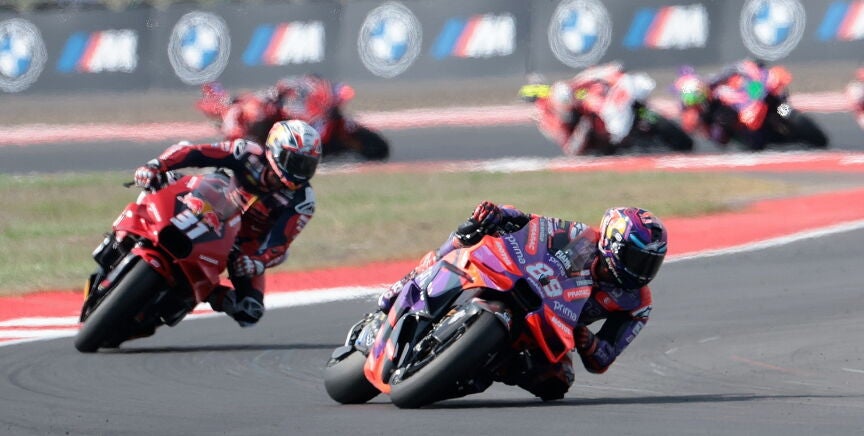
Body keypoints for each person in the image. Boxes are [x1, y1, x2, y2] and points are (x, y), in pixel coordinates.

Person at [378, 200, 668, 400]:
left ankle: (476, 367)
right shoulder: (579, 236)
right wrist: (497, 215)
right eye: (637, 259)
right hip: (518, 283)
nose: (642, 272)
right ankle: (409, 282)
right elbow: (528, 222)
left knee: (557, 382)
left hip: (550, 326)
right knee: (471, 232)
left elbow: (603, 359)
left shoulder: (637, 302)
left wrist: (589, 343)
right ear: (612, 245)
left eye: (650, 264)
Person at [133, 119, 322, 327]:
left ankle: (207, 293)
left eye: (308, 165)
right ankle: (132, 229)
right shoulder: (247, 152)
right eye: (295, 161)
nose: (301, 171)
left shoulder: (303, 200)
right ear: (276, 150)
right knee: (166, 174)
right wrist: (156, 165)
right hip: (210, 205)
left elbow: (280, 242)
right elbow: (197, 153)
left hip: (241, 245)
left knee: (250, 311)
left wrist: (258, 261)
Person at [542, 62, 655, 155]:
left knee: (640, 90)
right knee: (615, 132)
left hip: (614, 103)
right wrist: (583, 130)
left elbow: (594, 74)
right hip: (600, 134)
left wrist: (612, 71)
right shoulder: (556, 118)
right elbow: (570, 148)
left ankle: (645, 116)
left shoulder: (581, 85)